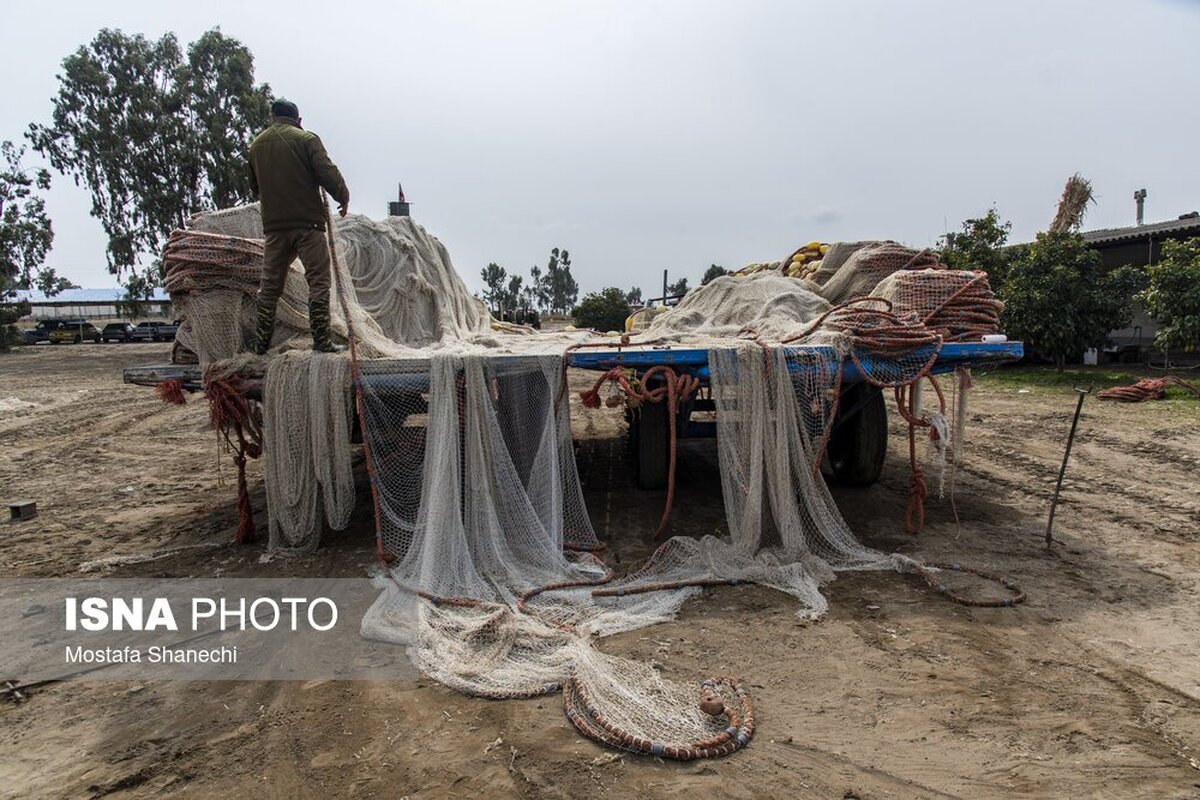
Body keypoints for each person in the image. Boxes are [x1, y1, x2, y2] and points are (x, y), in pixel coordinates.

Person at [248, 98, 350, 354]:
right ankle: (321, 341)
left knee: (269, 287)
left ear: (271, 117)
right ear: (298, 120)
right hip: (308, 225)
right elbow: (328, 173)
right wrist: (343, 198)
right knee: (318, 281)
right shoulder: (306, 140)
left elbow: (254, 188)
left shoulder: (256, 145)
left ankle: (260, 345)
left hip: (274, 228)